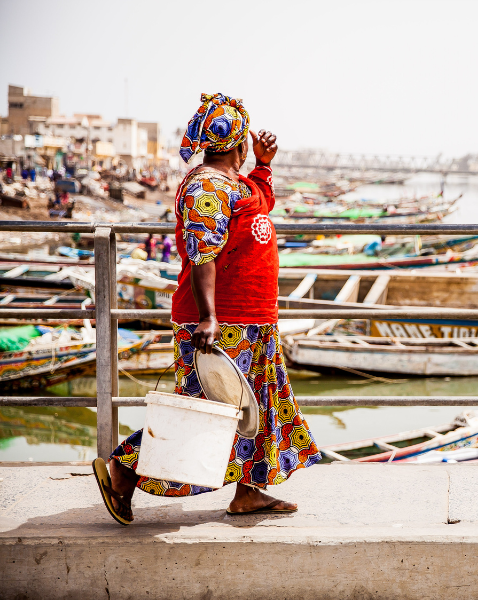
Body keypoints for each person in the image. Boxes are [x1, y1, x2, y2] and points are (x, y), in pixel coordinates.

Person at [93, 93, 321, 524]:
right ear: (237, 143)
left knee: (257, 408)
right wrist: (209, 316)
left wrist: (265, 164)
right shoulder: (205, 187)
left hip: (254, 319)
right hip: (225, 321)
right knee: (204, 411)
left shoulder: (235, 184)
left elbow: (260, 204)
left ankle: (249, 491)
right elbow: (202, 256)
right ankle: (123, 471)